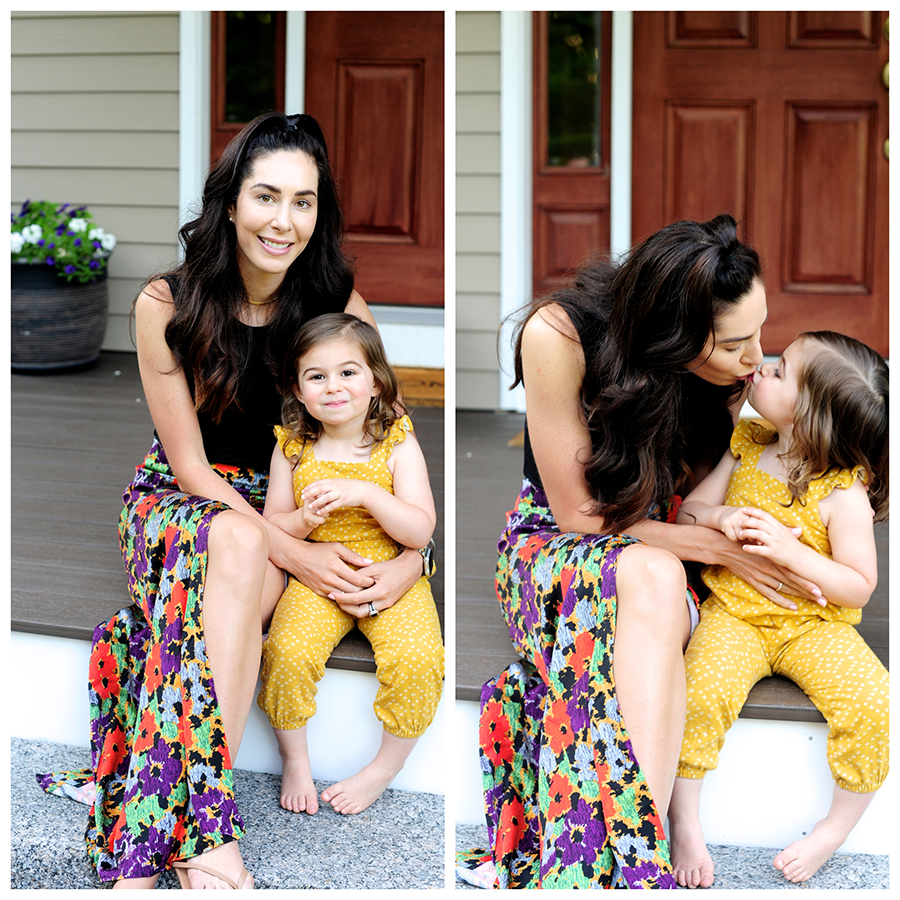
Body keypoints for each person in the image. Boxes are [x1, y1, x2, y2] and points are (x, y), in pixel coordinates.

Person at [37, 112, 428, 889]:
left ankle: (160, 827)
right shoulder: (166, 302)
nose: (284, 222)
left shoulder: (333, 293)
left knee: (229, 594)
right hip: (186, 495)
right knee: (244, 551)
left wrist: (415, 555)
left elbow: (385, 428)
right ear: (229, 201)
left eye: (305, 202)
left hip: (296, 500)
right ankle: (208, 836)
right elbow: (190, 468)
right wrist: (298, 554)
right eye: (267, 197)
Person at [457, 215, 821, 890]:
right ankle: (640, 864)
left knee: (646, 584)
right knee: (649, 575)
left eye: (761, 332)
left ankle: (627, 858)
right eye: (736, 342)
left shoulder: (727, 377)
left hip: (661, 548)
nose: (755, 358)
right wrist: (721, 551)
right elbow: (580, 516)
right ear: (673, 329)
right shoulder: (560, 335)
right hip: (555, 542)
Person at [668, 331, 889, 888]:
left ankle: (834, 829)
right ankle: (684, 819)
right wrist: (721, 520)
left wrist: (795, 553)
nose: (762, 367)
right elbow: (691, 511)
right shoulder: (748, 444)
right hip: (735, 614)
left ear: (810, 415)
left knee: (873, 703)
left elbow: (859, 585)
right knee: (699, 693)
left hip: (814, 627)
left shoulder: (843, 493)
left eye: (781, 369)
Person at [256, 312, 444, 816]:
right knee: (288, 652)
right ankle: (293, 756)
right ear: (297, 390)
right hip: (316, 579)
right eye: (316, 376)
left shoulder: (396, 441)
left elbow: (420, 529)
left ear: (376, 381)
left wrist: (366, 493)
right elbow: (273, 524)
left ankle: (383, 768)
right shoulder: (292, 448)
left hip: (391, 578)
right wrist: (302, 517)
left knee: (419, 660)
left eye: (348, 372)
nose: (333, 387)